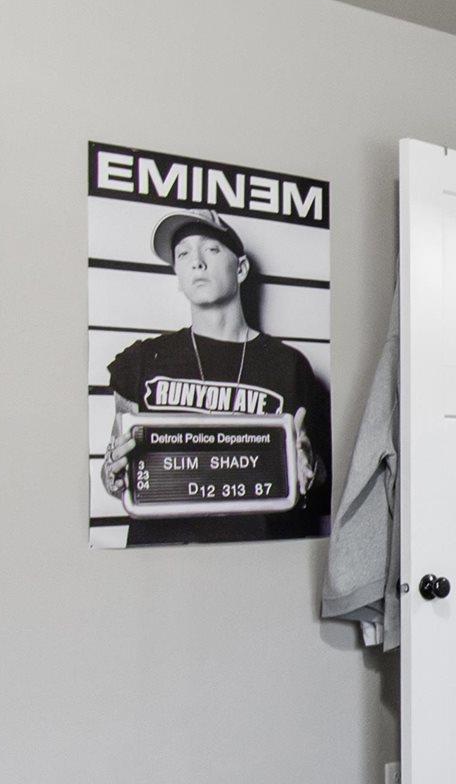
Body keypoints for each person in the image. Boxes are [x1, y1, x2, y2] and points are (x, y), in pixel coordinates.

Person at [101, 209, 332, 544]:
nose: (196, 261)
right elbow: (115, 473)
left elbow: (318, 476)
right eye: (183, 254)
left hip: (254, 563)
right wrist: (112, 475)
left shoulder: (289, 365)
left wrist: (310, 471)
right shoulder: (140, 360)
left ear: (240, 269)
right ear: (177, 275)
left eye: (210, 249)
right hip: (161, 568)